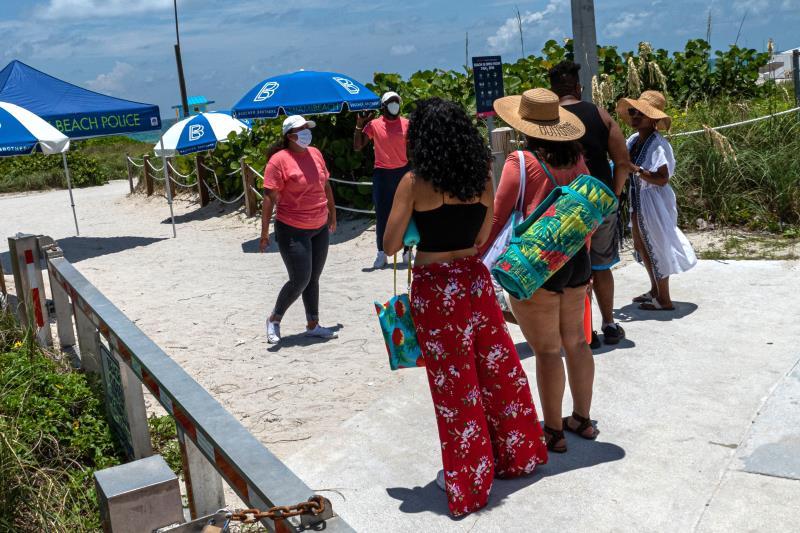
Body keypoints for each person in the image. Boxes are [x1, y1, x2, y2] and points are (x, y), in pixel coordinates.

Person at [383, 98, 548, 517]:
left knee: (455, 385)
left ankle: (469, 477)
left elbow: (389, 245)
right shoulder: (481, 176)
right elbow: (480, 237)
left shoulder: (414, 182)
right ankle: (518, 455)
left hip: (437, 288)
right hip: (474, 279)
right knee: (497, 369)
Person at [491, 88, 599, 453]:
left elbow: (498, 217)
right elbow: (588, 213)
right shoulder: (578, 159)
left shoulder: (520, 162)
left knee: (548, 351)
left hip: (538, 265)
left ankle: (552, 431)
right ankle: (582, 419)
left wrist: (482, 256)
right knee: (577, 341)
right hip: (577, 260)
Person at [549, 60, 631, 346]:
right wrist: (616, 195)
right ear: (578, 87)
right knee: (601, 265)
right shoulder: (599, 114)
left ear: (552, 90)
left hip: (564, 205)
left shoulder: (547, 119)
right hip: (600, 201)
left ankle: (585, 332)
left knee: (574, 270)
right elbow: (622, 161)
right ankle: (608, 324)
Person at [259, 115, 338, 344]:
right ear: (289, 136)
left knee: (314, 277)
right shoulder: (279, 160)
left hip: (319, 226)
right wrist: (264, 234)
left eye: (307, 128)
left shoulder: (315, 153)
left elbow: (325, 185)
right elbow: (269, 198)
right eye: (300, 129)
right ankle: (274, 319)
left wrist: (332, 214)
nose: (306, 132)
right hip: (292, 228)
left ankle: (313, 324)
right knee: (300, 278)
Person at [617, 91, 697, 310]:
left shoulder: (658, 145)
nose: (634, 117)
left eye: (640, 114)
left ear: (652, 119)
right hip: (638, 198)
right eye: (632, 112)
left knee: (656, 245)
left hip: (653, 200)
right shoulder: (634, 140)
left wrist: (638, 170)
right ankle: (655, 290)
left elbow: (662, 178)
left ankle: (665, 298)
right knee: (641, 244)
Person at [354, 91, 411, 268]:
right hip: (383, 174)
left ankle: (408, 251)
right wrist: (359, 126)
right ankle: (382, 253)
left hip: (403, 172)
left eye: (397, 102)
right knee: (382, 215)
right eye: (391, 102)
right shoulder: (374, 124)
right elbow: (358, 146)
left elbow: (414, 148)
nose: (395, 105)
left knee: (406, 213)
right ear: (384, 106)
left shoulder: (407, 124)